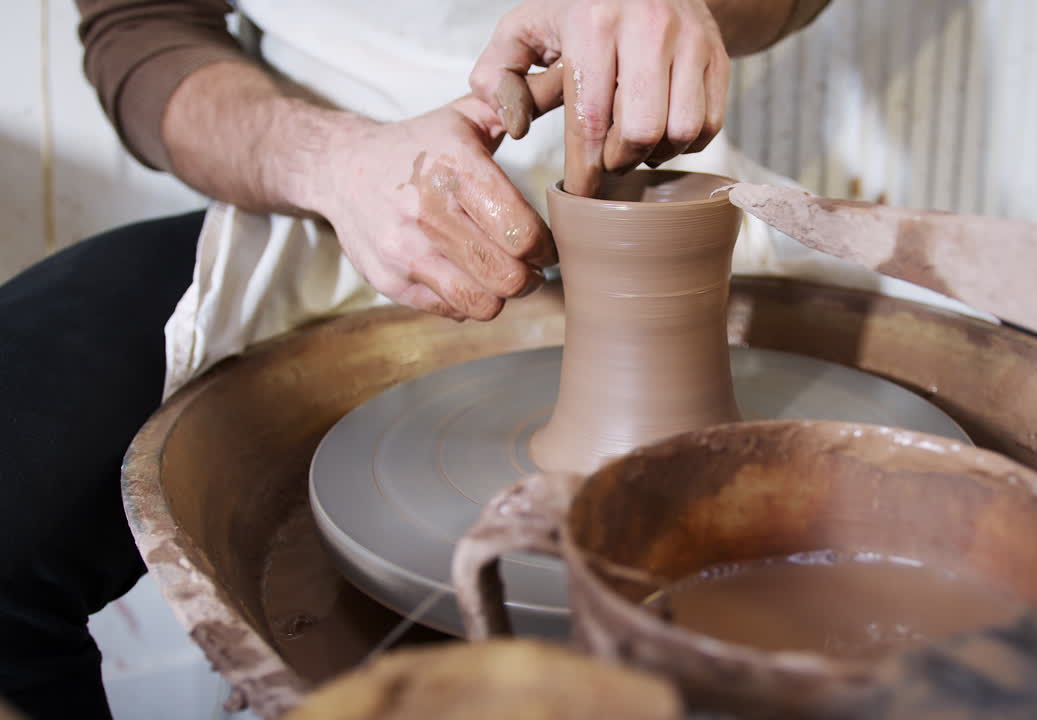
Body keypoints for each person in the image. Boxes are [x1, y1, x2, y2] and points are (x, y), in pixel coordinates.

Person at [0, 1, 830, 717]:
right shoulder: (331, 169)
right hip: (332, 192)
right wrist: (328, 161)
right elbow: (139, 26)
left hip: (665, 182)